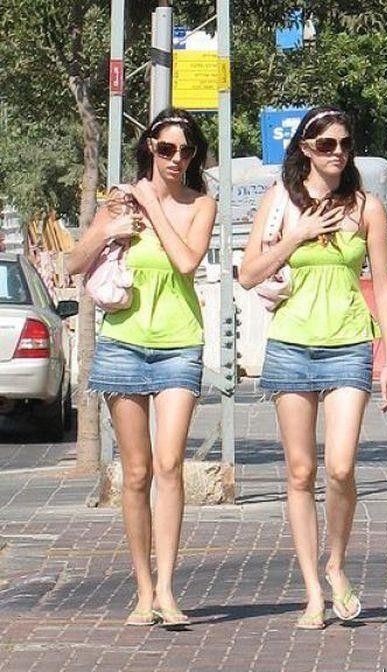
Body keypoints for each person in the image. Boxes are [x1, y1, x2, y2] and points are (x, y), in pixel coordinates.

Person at [239, 106, 387, 629]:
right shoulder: (279, 200)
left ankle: (336, 564)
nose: (338, 153)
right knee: (301, 472)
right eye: (327, 144)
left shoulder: (367, 207)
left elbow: (383, 285)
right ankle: (312, 590)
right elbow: (247, 274)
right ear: (305, 149)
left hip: (350, 343)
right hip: (291, 345)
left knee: (341, 467)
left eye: (345, 144)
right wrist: (297, 236)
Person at [67, 108, 216, 627]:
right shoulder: (119, 201)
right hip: (123, 345)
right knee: (136, 471)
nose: (177, 159)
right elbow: (73, 263)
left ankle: (169, 589)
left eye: (186, 151)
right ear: (150, 147)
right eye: (167, 148)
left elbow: (187, 262)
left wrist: (151, 203)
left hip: (179, 344)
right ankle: (143, 590)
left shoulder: (201, 205)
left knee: (169, 463)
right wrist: (110, 227)